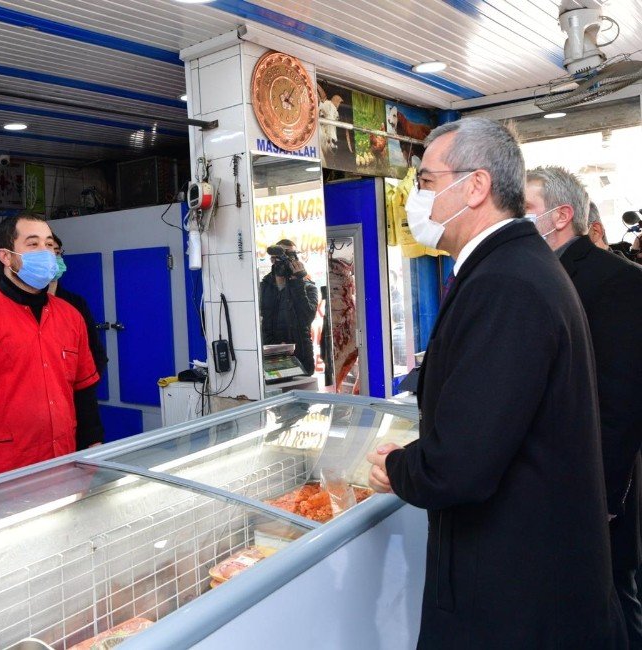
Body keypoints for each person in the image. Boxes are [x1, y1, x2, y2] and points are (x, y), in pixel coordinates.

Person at [366, 117, 625, 648]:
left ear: (476, 186)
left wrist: (399, 467)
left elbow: (461, 463)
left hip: (518, 599)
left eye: (427, 182)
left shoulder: (506, 283)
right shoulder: (515, 265)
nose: (418, 199)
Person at [526, 166, 642, 647]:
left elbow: (620, 403)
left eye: (526, 210)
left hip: (597, 489)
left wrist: (605, 498)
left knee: (612, 602)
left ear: (561, 215)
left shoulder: (617, 281)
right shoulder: (534, 274)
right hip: (555, 486)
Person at [0, 214, 102, 482]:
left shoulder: (71, 316)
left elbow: (84, 394)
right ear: (6, 257)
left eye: (49, 245)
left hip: (64, 465)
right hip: (2, 475)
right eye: (33, 244)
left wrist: (94, 456)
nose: (45, 252)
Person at [48, 233, 108, 375]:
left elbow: (95, 349)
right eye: (48, 254)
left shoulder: (75, 303)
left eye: (57, 253)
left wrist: (88, 382)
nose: (54, 258)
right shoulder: (24, 304)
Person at [259, 239, 319, 375]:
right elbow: (259, 322)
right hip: (272, 358)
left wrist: (297, 283)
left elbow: (307, 318)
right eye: (282, 255)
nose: (286, 260)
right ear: (272, 259)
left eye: (290, 255)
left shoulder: (307, 287)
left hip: (301, 357)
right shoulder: (263, 287)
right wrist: (274, 347)